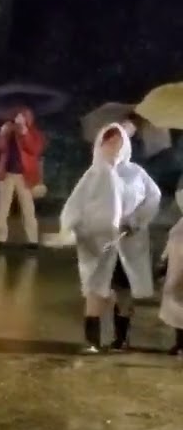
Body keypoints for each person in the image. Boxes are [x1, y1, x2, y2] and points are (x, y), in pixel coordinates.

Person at [60, 123, 160, 353]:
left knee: (123, 291)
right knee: (95, 289)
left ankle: (121, 338)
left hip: (129, 241)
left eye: (118, 142)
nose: (113, 146)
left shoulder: (136, 173)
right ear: (100, 144)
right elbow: (74, 205)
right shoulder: (94, 174)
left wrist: (135, 220)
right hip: (100, 242)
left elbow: (153, 197)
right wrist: (69, 228)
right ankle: (92, 340)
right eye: (108, 141)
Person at [0, 107, 45, 248]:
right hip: (6, 174)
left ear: (29, 119)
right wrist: (2, 133)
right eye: (18, 116)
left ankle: (32, 240)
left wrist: (24, 132)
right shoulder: (8, 130)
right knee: (3, 208)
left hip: (24, 176)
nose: (20, 118)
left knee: (28, 208)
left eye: (24, 116)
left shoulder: (34, 133)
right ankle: (0, 239)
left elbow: (34, 149)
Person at [158, 188, 183, 357]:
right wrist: (163, 263)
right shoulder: (179, 226)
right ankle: (180, 343)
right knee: (176, 308)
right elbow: (170, 245)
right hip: (177, 270)